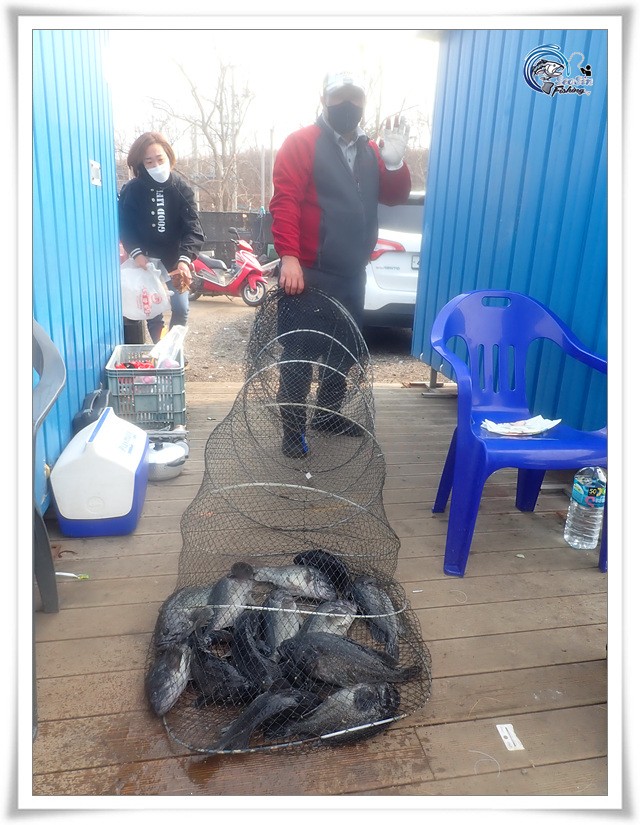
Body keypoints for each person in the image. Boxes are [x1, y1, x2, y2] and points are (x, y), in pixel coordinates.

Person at [269, 69, 412, 457]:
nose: (348, 105)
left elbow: (395, 196)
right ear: (324, 100)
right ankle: (293, 429)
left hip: (352, 273)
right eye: (339, 98)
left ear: (364, 102)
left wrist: (395, 163)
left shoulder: (370, 150)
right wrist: (289, 257)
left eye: (355, 98)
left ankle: (327, 415)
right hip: (308, 273)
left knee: (343, 351)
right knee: (299, 355)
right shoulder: (302, 143)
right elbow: (285, 202)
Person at [118, 132, 205, 344]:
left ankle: (172, 348)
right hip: (145, 261)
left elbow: (193, 227)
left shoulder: (181, 188)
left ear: (168, 156)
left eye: (160, 159)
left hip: (175, 260)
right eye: (149, 161)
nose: (156, 165)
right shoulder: (132, 189)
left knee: (181, 308)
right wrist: (136, 254)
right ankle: (162, 350)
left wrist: (185, 259)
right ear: (141, 164)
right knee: (153, 311)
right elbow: (125, 226)